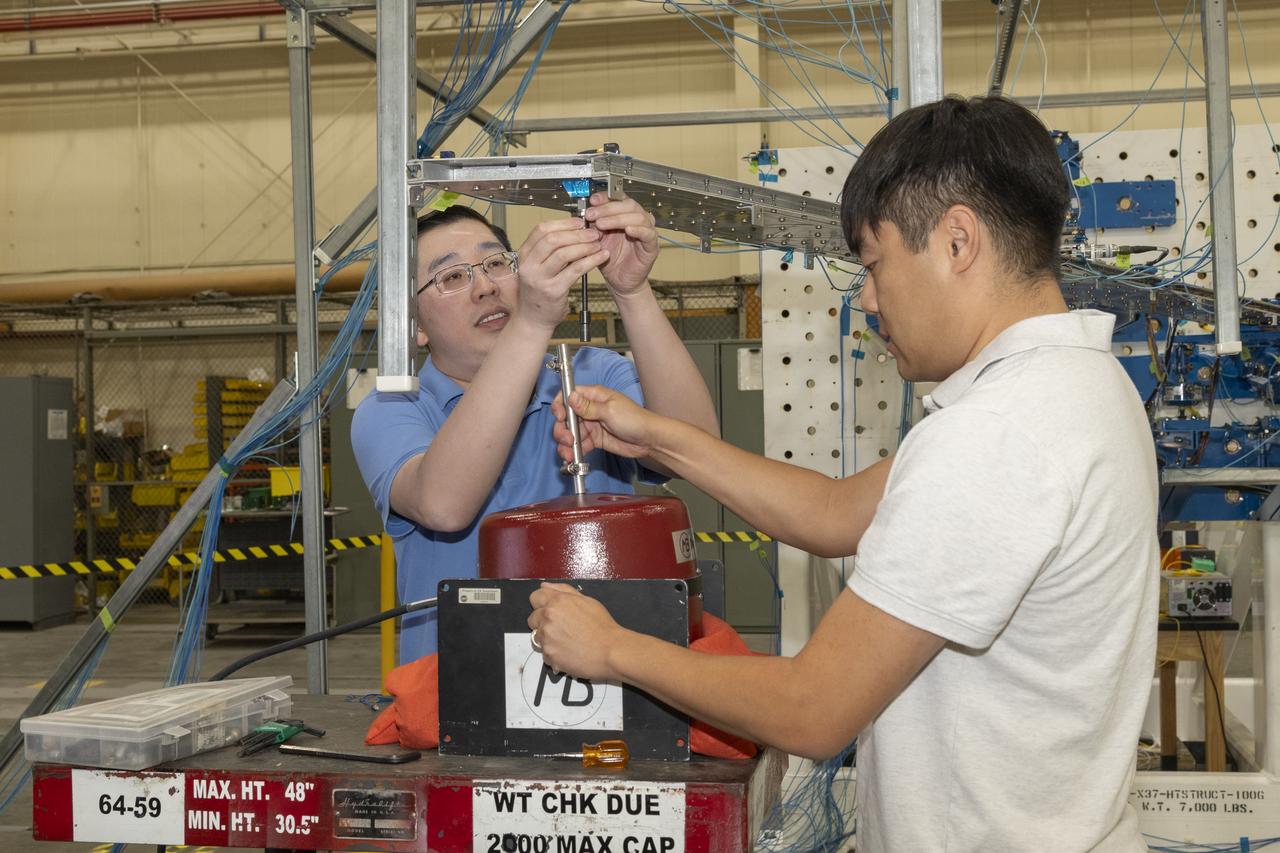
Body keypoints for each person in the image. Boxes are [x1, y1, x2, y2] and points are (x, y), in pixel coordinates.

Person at [530, 96, 1158, 852]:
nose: (866, 297)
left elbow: (813, 706)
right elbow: (832, 513)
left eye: (874, 263)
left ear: (958, 242)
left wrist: (612, 648)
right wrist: (656, 438)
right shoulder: (1077, 383)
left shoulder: (997, 434)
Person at [352, 196, 718, 664]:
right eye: (452, 276)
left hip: (610, 679)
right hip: (461, 694)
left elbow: (697, 449)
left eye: (496, 263)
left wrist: (632, 291)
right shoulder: (394, 407)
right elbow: (443, 505)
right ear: (415, 326)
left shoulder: (588, 375)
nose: (484, 286)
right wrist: (532, 322)